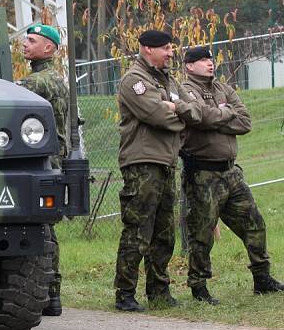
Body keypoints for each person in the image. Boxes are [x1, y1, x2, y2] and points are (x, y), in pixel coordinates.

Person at [177, 46, 284, 304]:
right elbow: (197, 117)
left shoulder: (224, 89)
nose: (209, 63)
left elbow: (245, 122)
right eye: (202, 60)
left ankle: (262, 278)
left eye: (210, 59)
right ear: (189, 66)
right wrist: (225, 114)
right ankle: (199, 286)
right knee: (201, 234)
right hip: (202, 173)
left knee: (255, 224)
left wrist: (216, 116)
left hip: (231, 172)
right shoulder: (184, 90)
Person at [113, 30, 198, 312]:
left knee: (163, 232)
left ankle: (159, 291)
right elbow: (157, 115)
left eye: (171, 48)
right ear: (147, 49)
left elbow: (195, 111)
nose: (171, 53)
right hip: (142, 163)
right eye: (166, 48)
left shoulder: (169, 80)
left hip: (166, 162)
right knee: (138, 230)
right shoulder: (134, 80)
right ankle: (125, 293)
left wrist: (177, 110)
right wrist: (178, 114)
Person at [18, 23, 68, 316]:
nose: (25, 43)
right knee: (48, 227)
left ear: (48, 48)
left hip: (44, 162)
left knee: (44, 229)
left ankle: (49, 292)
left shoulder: (36, 83)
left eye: (32, 40)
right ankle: (53, 294)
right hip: (55, 160)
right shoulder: (55, 79)